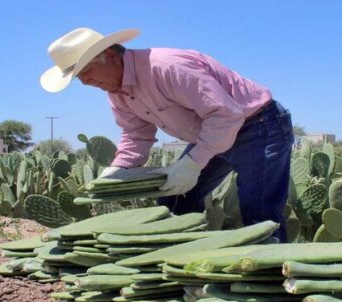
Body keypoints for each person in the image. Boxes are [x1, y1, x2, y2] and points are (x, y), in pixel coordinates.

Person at [40, 27, 294, 242]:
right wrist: (118, 170)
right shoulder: (116, 93)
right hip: (210, 134)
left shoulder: (167, 67)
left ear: (109, 55)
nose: (84, 81)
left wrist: (193, 163)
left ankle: (271, 287)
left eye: (85, 71)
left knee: (260, 214)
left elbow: (225, 115)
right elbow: (136, 135)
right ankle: (179, 266)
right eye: (77, 77)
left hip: (258, 127)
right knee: (174, 200)